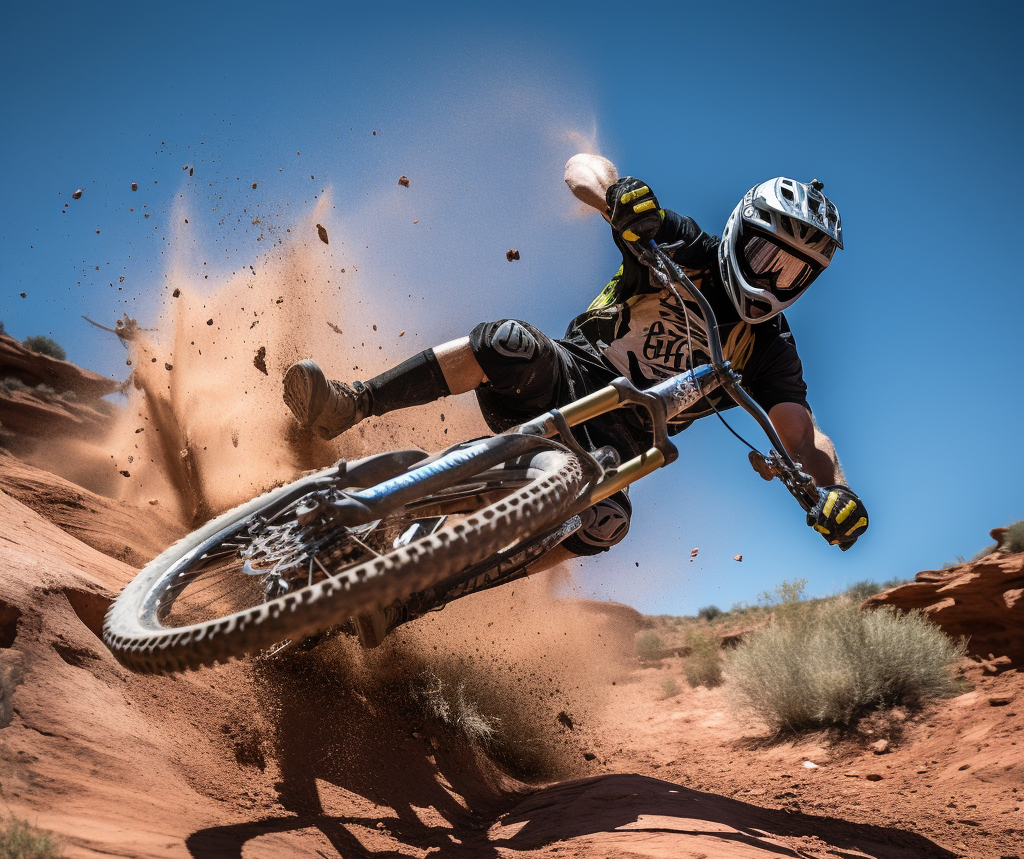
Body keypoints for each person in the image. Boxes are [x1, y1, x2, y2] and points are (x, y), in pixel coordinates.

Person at [283, 154, 868, 562]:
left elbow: (803, 436)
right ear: (741, 231)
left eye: (796, 272)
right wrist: (618, 197)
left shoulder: (770, 346)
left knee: (608, 523)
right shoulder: (685, 245)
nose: (775, 279)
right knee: (507, 341)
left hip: (624, 445)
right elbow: (581, 168)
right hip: (565, 380)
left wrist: (835, 489)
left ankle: (420, 595)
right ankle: (352, 403)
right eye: (767, 255)